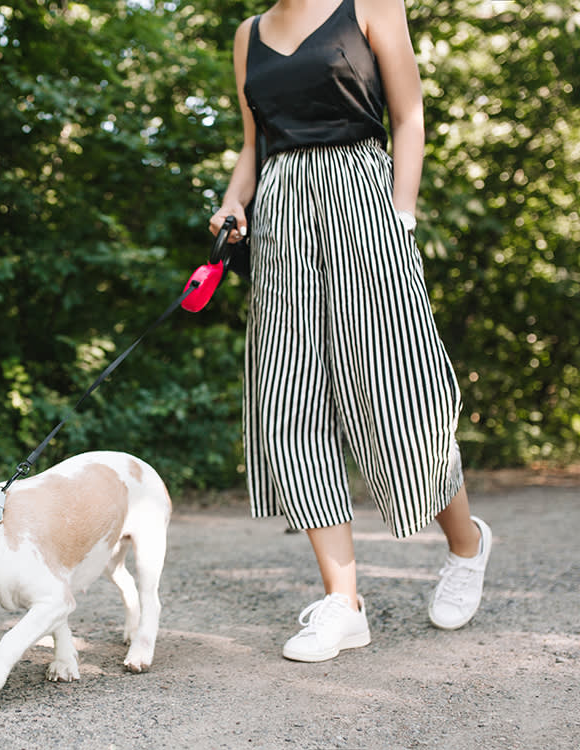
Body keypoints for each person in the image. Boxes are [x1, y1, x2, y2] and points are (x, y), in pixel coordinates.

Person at [209, 0, 492, 662]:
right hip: (282, 219)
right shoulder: (246, 36)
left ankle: (466, 545)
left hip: (364, 202)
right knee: (288, 403)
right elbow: (255, 146)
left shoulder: (370, 4)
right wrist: (232, 201)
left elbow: (409, 117)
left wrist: (402, 216)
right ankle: (344, 603)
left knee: (400, 396)